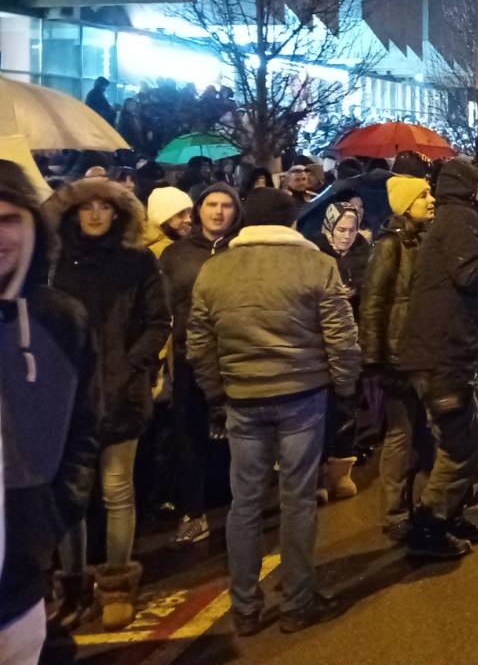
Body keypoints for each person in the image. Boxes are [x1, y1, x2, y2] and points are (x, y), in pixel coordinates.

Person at [186, 186, 360, 636]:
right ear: (292, 221)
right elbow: (341, 337)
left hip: (242, 398)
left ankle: (245, 606)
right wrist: (344, 386)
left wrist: (217, 392)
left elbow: (199, 343)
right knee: (297, 498)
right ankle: (298, 600)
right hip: (302, 394)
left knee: (244, 502)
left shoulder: (215, 269)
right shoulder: (316, 265)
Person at [45, 177, 170, 630]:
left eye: (105, 207)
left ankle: (117, 584)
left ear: (118, 214)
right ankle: (74, 586)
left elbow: (159, 320)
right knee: (70, 497)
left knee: (117, 490)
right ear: (72, 212)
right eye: (87, 206)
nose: (95, 214)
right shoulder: (54, 263)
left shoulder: (137, 261)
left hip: (121, 395)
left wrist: (130, 366)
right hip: (66, 398)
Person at [0, 162, 99, 649]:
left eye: (8, 220)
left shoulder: (60, 319)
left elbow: (84, 427)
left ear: (33, 226)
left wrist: (49, 517)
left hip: (20, 580)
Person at [395, 158, 478, 559]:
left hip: (450, 351)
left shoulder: (456, 218)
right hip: (442, 353)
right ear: (469, 188)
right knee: (460, 444)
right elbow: (468, 274)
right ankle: (430, 526)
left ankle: (450, 512)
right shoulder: (460, 219)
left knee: (477, 434)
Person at [155, 181, 240, 546]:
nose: (218, 212)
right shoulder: (176, 254)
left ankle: (240, 506)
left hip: (235, 356)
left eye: (226, 205)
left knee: (238, 433)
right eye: (211, 204)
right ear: (199, 210)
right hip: (189, 355)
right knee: (189, 433)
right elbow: (162, 306)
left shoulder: (242, 249)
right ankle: (193, 511)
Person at [359, 174, 435, 543]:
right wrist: (375, 359)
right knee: (401, 433)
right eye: (423, 195)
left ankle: (423, 507)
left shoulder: (424, 239)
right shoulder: (390, 245)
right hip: (398, 354)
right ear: (405, 205)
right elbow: (373, 303)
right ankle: (394, 513)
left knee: (425, 432)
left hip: (422, 351)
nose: (431, 200)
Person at [312, 201, 369, 503]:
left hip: (352, 343)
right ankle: (317, 474)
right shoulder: (314, 253)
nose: (346, 236)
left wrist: (358, 288)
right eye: (341, 229)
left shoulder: (364, 253)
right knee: (320, 410)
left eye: (352, 230)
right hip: (320, 345)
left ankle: (341, 472)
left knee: (347, 407)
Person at [145, 186, 193, 258]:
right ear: (162, 219)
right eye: (180, 214)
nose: (189, 219)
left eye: (189, 212)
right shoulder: (156, 253)